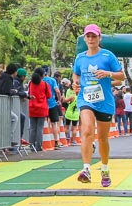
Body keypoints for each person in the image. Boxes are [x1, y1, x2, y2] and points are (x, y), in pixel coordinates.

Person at [72, 24, 124, 188]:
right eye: (88, 36)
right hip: (85, 99)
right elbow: (76, 73)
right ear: (84, 38)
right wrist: (75, 83)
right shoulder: (80, 57)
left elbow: (121, 77)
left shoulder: (108, 56)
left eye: (94, 36)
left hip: (105, 101)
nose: (91, 39)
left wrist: (108, 74)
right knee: (87, 129)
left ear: (99, 38)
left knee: (102, 138)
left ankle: (105, 169)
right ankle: (86, 169)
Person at [27, 68, 51, 151]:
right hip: (42, 108)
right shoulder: (44, 84)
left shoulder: (30, 83)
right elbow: (49, 95)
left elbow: (29, 93)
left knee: (32, 128)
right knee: (40, 128)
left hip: (32, 107)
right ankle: (39, 146)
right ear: (41, 75)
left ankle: (31, 146)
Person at [42, 68, 64, 148]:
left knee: (44, 122)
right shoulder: (52, 80)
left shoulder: (40, 80)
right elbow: (57, 91)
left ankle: (44, 141)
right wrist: (59, 100)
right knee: (54, 123)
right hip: (52, 104)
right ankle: (56, 142)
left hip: (43, 104)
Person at [61, 78, 78, 145]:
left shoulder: (72, 96)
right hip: (76, 113)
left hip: (69, 112)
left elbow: (64, 100)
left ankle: (66, 139)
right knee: (74, 128)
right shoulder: (80, 97)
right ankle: (73, 141)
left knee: (67, 126)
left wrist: (63, 94)